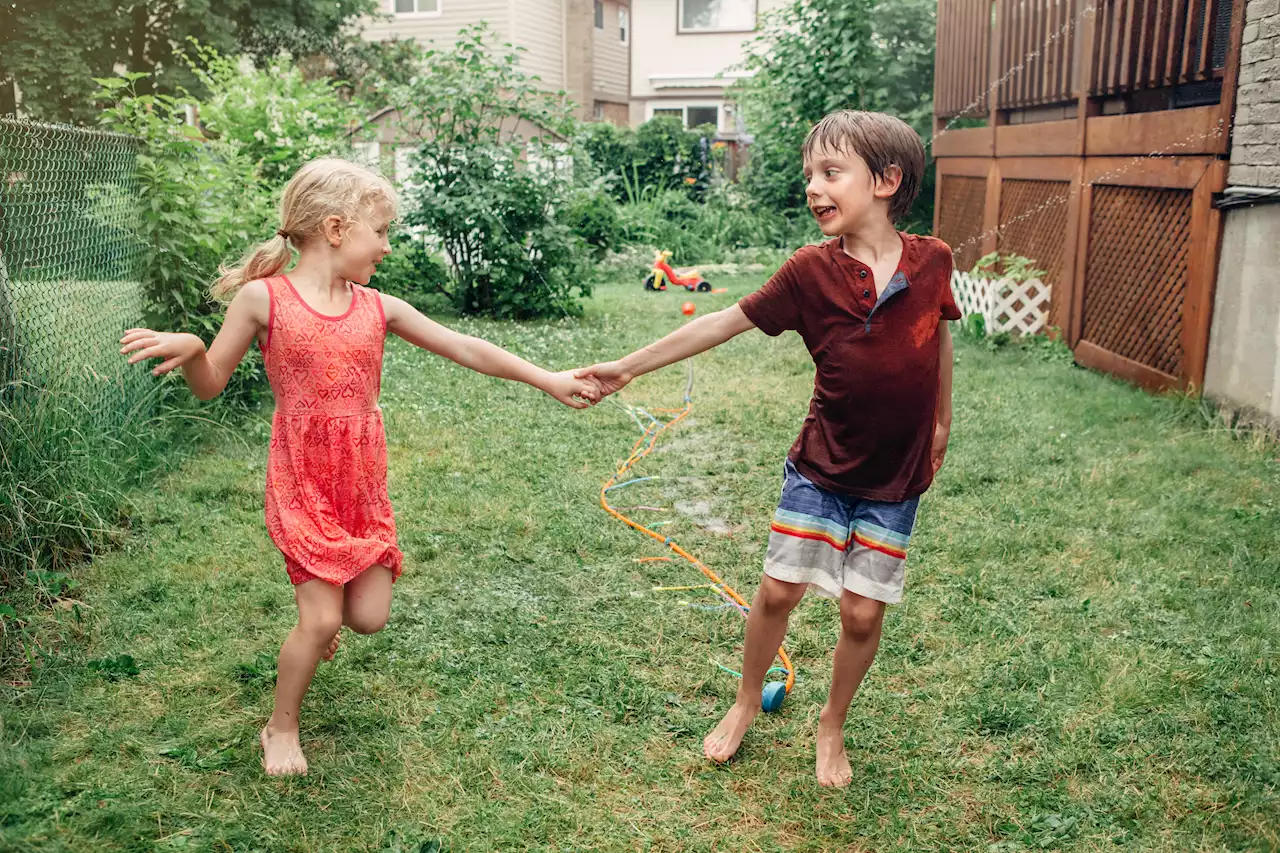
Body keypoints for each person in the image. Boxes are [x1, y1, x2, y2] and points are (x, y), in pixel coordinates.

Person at [120, 158, 597, 776]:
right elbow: (209, 383)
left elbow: (465, 346)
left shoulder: (378, 307)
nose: (388, 245)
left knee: (366, 616)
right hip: (302, 476)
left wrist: (546, 378)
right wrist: (190, 351)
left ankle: (321, 618)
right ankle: (280, 726)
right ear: (338, 228)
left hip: (360, 478)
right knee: (319, 620)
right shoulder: (264, 299)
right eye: (382, 230)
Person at [575, 111, 960, 787]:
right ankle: (746, 698)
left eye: (831, 172)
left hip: (896, 476)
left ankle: (831, 724)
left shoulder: (935, 261)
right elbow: (722, 323)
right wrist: (628, 367)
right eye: (810, 173)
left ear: (887, 180)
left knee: (863, 610)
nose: (813, 186)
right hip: (821, 465)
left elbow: (938, 338)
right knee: (780, 590)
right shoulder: (810, 272)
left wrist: (941, 425)